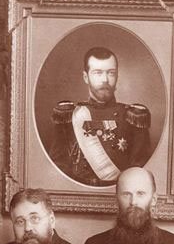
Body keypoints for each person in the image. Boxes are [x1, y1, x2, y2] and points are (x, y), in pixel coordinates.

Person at [49, 46, 152, 186]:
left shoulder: (134, 116)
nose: (105, 79)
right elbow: (58, 168)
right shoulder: (68, 115)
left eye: (111, 73)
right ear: (86, 77)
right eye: (98, 73)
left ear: (117, 76)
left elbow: (140, 171)